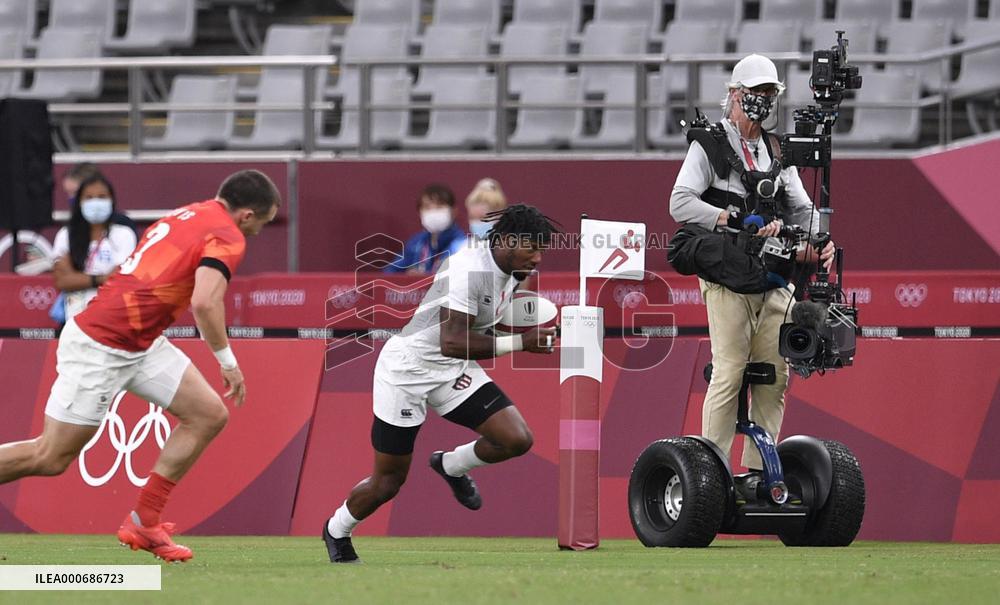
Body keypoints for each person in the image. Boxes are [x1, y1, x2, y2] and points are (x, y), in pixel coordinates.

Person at [0, 170, 281, 562]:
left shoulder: (190, 213)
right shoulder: (229, 234)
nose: (256, 234)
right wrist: (227, 361)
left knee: (207, 414)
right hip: (101, 344)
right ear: (247, 215)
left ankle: (144, 520)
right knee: (49, 457)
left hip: (140, 342)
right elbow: (204, 302)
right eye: (262, 225)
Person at [323, 204, 560, 564]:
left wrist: (524, 331)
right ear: (509, 240)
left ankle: (451, 465)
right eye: (533, 248)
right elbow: (451, 340)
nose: (538, 258)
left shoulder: (512, 270)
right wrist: (522, 342)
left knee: (516, 439)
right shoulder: (469, 268)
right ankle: (336, 529)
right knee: (388, 482)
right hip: (407, 371)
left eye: (543, 250)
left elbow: (476, 332)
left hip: (452, 369)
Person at [669, 54, 835, 499]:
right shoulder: (709, 144)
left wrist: (823, 238)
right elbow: (680, 202)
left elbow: (802, 208)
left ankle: (759, 476)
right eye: (755, 93)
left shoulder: (779, 150)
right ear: (734, 95)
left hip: (773, 278)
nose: (762, 101)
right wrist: (728, 216)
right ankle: (711, 476)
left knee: (776, 372)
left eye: (769, 93)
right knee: (729, 372)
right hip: (726, 279)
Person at [50, 173, 138, 323]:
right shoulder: (66, 235)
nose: (95, 202)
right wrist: (101, 278)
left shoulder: (124, 234)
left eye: (102, 197)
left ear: (112, 201)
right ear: (79, 202)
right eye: (89, 197)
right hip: (75, 321)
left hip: (113, 319)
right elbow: (62, 281)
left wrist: (79, 278)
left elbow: (120, 279)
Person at [384, 184, 466, 274]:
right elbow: (391, 271)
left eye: (439, 207)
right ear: (420, 212)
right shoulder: (416, 242)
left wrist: (424, 276)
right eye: (427, 207)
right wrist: (407, 275)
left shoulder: (462, 244)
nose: (433, 212)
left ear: (454, 211)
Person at [62, 162, 139, 237]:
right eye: (68, 193)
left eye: (75, 192)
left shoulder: (122, 225)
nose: (71, 198)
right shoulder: (70, 229)